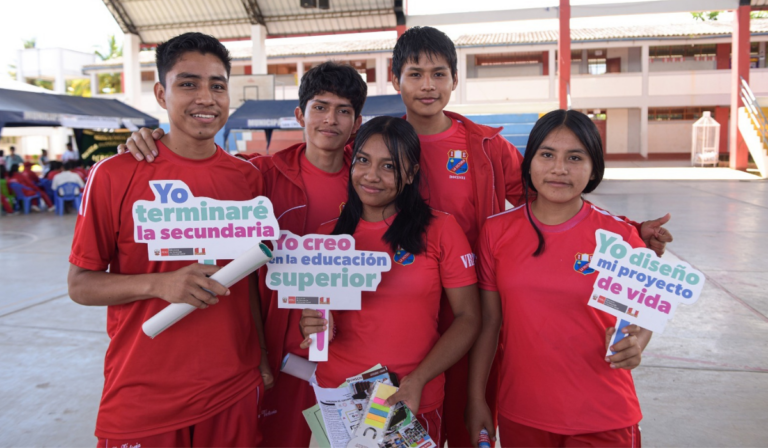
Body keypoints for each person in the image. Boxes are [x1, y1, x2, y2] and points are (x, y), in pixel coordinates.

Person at [389, 27, 674, 447]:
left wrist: (628, 229)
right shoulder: (380, 143)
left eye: (439, 73)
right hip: (405, 306)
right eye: (415, 74)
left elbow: (552, 198)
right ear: (395, 79)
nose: (428, 85)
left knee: (470, 427)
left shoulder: (485, 146)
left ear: (455, 79)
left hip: (471, 308)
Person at [119, 61, 367, 447]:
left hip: (350, 345)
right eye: (320, 107)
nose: (330, 119)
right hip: (276, 350)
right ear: (300, 113)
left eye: (344, 110)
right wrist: (152, 140)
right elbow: (197, 171)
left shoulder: (370, 182)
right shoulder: (258, 176)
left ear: (357, 121)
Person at [67, 32, 267, 447]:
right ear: (161, 93)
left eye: (217, 85)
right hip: (143, 394)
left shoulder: (248, 179)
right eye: (188, 84)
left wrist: (261, 360)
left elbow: (245, 279)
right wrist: (159, 283)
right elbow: (80, 284)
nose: (206, 98)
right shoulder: (115, 175)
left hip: (231, 389)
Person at [467, 110, 651, 447]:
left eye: (575, 157)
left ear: (594, 167)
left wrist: (636, 344)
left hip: (603, 416)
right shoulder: (496, 232)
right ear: (530, 161)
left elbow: (642, 316)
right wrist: (478, 398)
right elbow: (490, 323)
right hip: (522, 413)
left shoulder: (622, 238)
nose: (559, 168)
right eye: (547, 154)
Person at [300, 116, 482, 446]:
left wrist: (418, 380)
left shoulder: (440, 230)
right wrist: (314, 327)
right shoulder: (324, 238)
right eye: (363, 161)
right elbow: (317, 327)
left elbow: (469, 319)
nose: (371, 176)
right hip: (338, 400)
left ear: (411, 173)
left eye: (389, 166)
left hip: (408, 398)